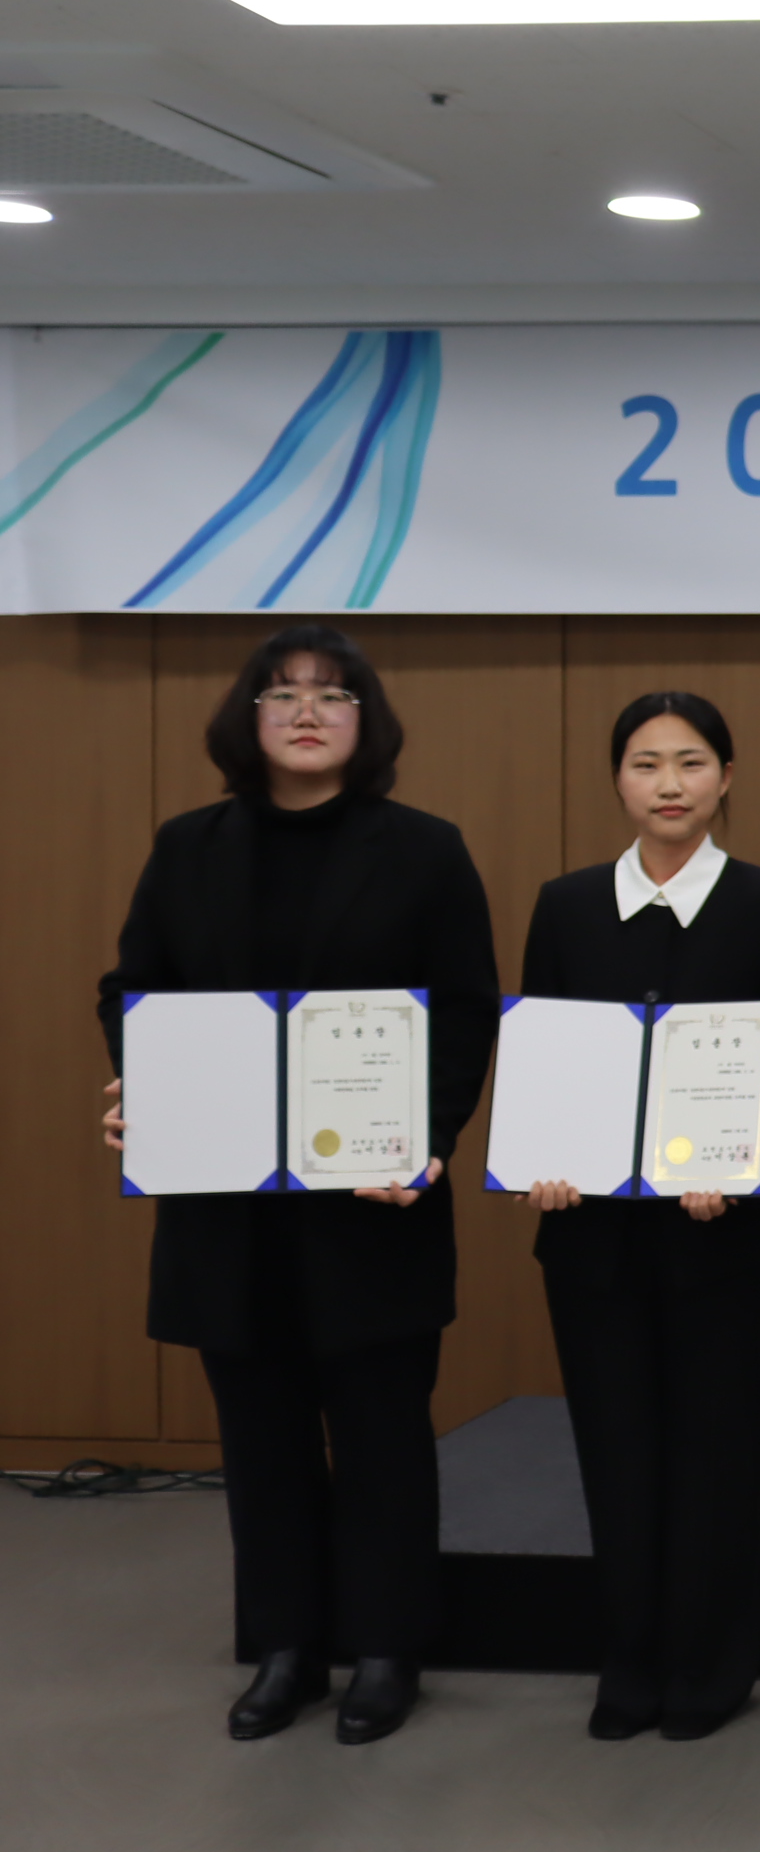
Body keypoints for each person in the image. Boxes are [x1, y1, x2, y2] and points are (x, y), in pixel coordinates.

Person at [96, 625, 497, 1746]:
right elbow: (133, 990)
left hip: (372, 1202)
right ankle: (285, 1647)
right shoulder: (189, 847)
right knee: (260, 1438)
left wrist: (429, 1137)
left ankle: (388, 1648)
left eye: (333, 695)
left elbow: (466, 1009)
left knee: (381, 1434)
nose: (307, 712)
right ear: (249, 720)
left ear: (368, 721)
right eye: (281, 695)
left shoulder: (424, 849)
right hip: (229, 1210)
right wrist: (143, 1083)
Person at [514, 692, 760, 1742]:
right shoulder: (564, 906)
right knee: (616, 1451)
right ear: (618, 780)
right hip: (592, 1235)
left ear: (726, 777)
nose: (670, 783)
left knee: (717, 1454)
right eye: (646, 763)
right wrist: (547, 1161)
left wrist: (733, 1157)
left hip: (722, 1228)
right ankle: (630, 1660)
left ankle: (709, 1665)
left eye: (691, 762)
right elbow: (545, 1054)